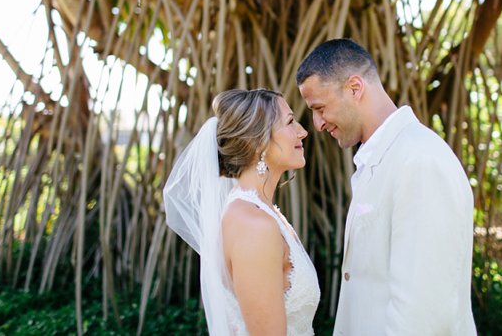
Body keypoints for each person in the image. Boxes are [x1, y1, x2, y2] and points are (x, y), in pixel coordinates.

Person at [296, 39, 476, 335]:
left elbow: (422, 311)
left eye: (320, 108)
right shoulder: (379, 161)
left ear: (355, 88)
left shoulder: (418, 161)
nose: (316, 124)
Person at [163, 89, 320, 335]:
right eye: (290, 122)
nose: (303, 131)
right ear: (258, 142)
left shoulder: (265, 215)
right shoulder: (253, 225)